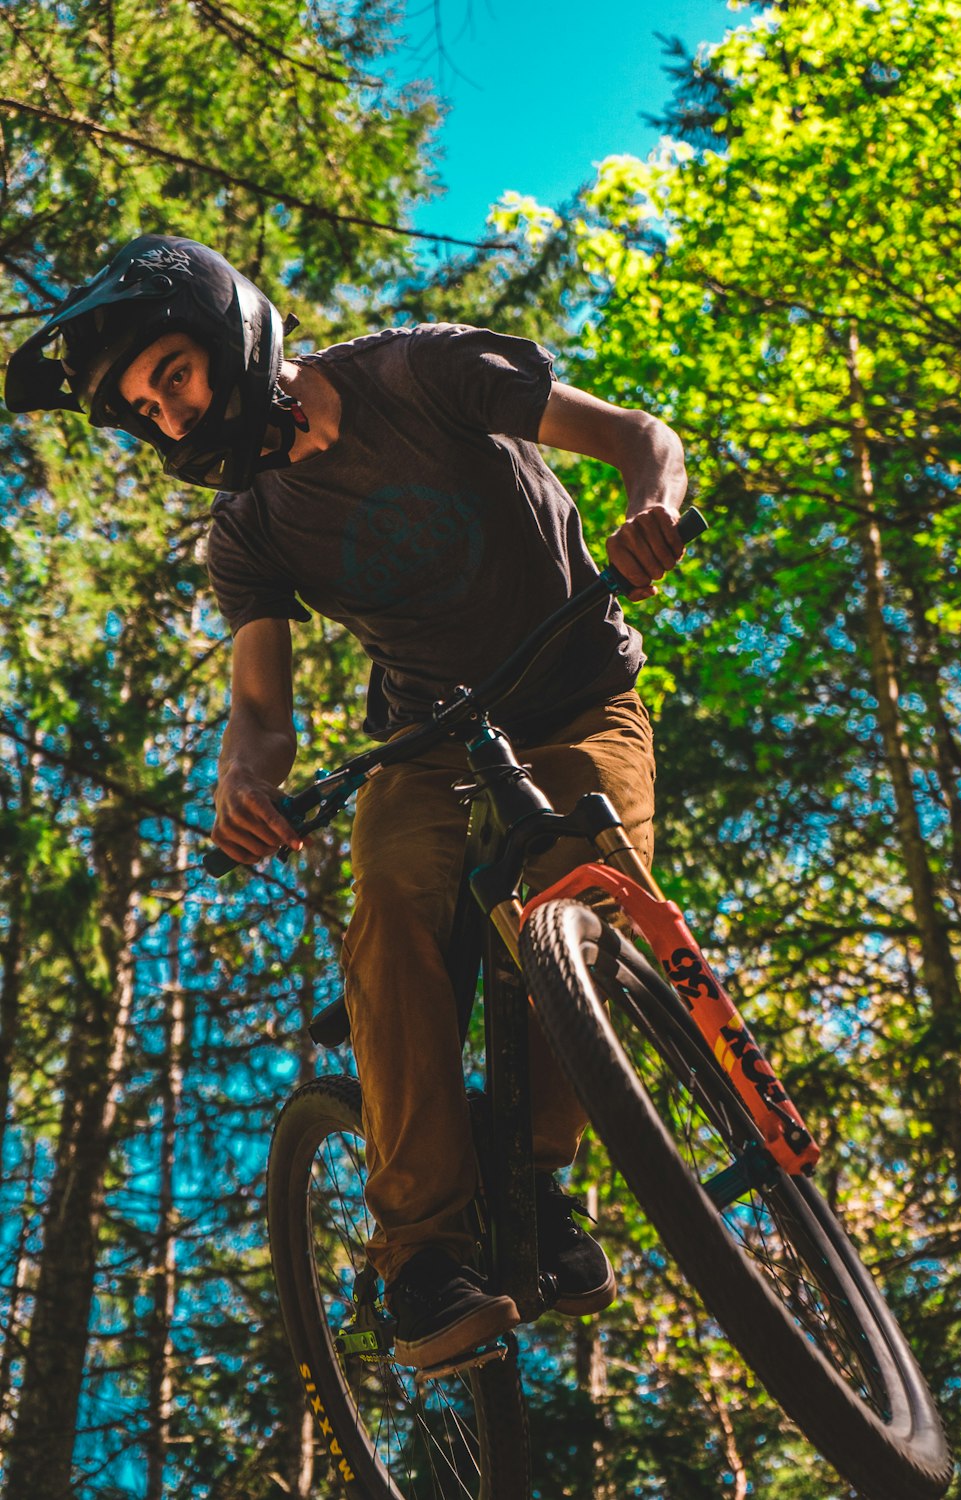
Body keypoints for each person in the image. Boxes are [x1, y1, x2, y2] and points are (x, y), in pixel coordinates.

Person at [5, 234, 688, 1369]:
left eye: (171, 375)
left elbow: (634, 437)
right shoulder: (250, 533)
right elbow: (262, 712)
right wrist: (245, 782)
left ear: (229, 331)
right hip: (432, 744)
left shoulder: (418, 373)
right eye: (143, 408)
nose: (169, 419)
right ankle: (420, 1257)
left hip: (578, 692)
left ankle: (530, 1181)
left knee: (583, 898)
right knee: (392, 914)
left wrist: (653, 506)